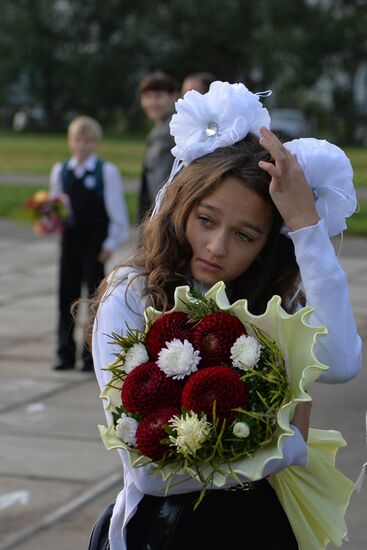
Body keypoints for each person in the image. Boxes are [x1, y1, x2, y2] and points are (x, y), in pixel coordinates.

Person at [90, 82, 362, 549]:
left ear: (264, 246)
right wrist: (287, 445)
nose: (217, 248)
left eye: (245, 235)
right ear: (181, 205)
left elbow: (340, 361)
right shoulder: (133, 295)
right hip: (165, 530)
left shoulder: (263, 296)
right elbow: (152, 474)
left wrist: (304, 227)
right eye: (207, 220)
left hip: (258, 525)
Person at [50, 115, 130, 372]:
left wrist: (109, 244)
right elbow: (55, 209)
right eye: (77, 140)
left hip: (95, 246)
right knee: (66, 298)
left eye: (87, 141)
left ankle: (89, 354)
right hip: (69, 244)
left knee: (93, 302)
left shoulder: (105, 172)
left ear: (95, 143)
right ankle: (64, 353)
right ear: (70, 142)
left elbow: (118, 215)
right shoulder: (61, 171)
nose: (82, 146)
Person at [137, 72, 179, 222]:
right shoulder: (161, 128)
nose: (152, 102)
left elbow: (163, 185)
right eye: (147, 97)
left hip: (164, 216)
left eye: (158, 96)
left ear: (173, 96)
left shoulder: (172, 131)